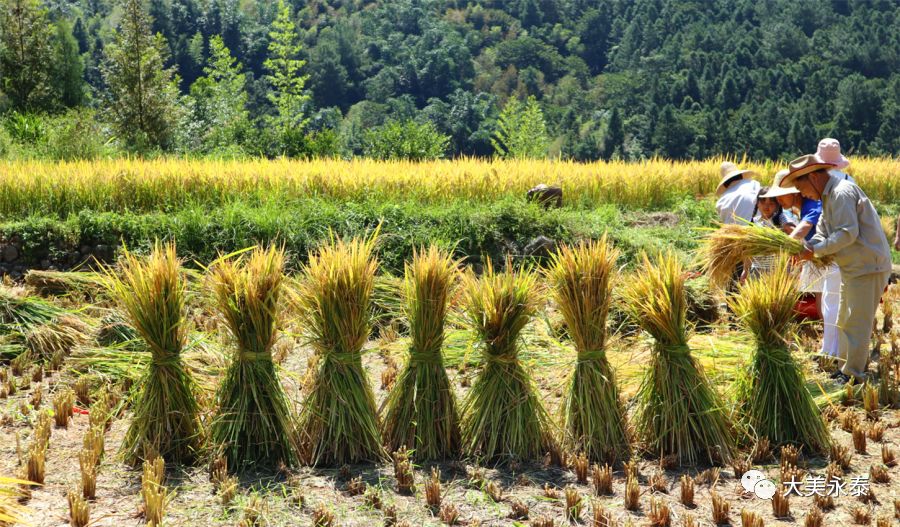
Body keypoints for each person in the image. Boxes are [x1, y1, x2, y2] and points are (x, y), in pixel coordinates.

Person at [786, 154, 892, 384]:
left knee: (857, 322)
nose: (800, 193)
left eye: (800, 186)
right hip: (852, 267)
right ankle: (845, 369)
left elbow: (847, 233)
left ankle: (853, 374)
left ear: (813, 176)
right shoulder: (827, 197)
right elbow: (824, 231)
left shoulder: (841, 192)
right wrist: (807, 247)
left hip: (867, 266)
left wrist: (814, 252)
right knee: (844, 320)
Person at [743, 185, 795, 279]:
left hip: (779, 270)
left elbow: (793, 231)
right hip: (757, 270)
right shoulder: (754, 222)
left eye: (771, 203)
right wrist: (745, 270)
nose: (766, 206)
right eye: (763, 202)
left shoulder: (781, 219)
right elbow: (748, 250)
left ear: (777, 205)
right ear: (757, 203)